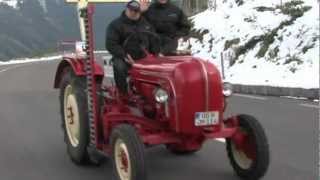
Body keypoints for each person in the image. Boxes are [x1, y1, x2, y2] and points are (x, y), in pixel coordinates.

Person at [106, 0, 160, 95]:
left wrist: (156, 54)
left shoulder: (146, 25)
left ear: (139, 11)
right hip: (125, 58)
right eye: (131, 10)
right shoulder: (115, 25)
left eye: (135, 11)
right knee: (119, 66)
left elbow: (153, 40)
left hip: (144, 58)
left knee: (160, 68)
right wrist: (125, 56)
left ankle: (157, 93)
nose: (133, 13)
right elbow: (111, 44)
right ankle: (123, 94)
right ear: (126, 9)